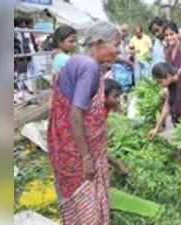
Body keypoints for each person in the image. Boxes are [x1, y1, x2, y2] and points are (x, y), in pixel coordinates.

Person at [47, 21, 121, 225]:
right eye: (116, 44)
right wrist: (87, 157)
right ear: (99, 43)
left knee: (73, 205)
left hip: (65, 147)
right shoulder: (89, 67)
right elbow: (75, 114)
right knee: (87, 210)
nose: (118, 51)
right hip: (78, 151)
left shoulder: (77, 60)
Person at [148, 62, 181, 138]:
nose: (160, 85)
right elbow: (167, 105)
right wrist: (156, 128)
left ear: (168, 76)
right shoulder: (171, 84)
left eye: (160, 81)